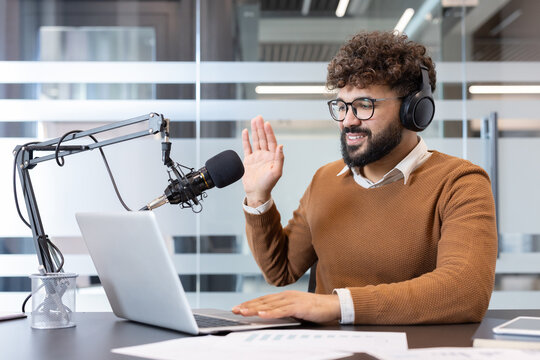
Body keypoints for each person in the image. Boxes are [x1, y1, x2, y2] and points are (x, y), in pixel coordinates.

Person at [232, 31, 498, 325]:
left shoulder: (460, 183)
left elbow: (466, 291)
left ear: (414, 109)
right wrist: (258, 198)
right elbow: (280, 271)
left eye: (364, 105)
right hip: (322, 349)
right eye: (342, 106)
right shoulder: (325, 179)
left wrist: (339, 305)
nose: (348, 120)